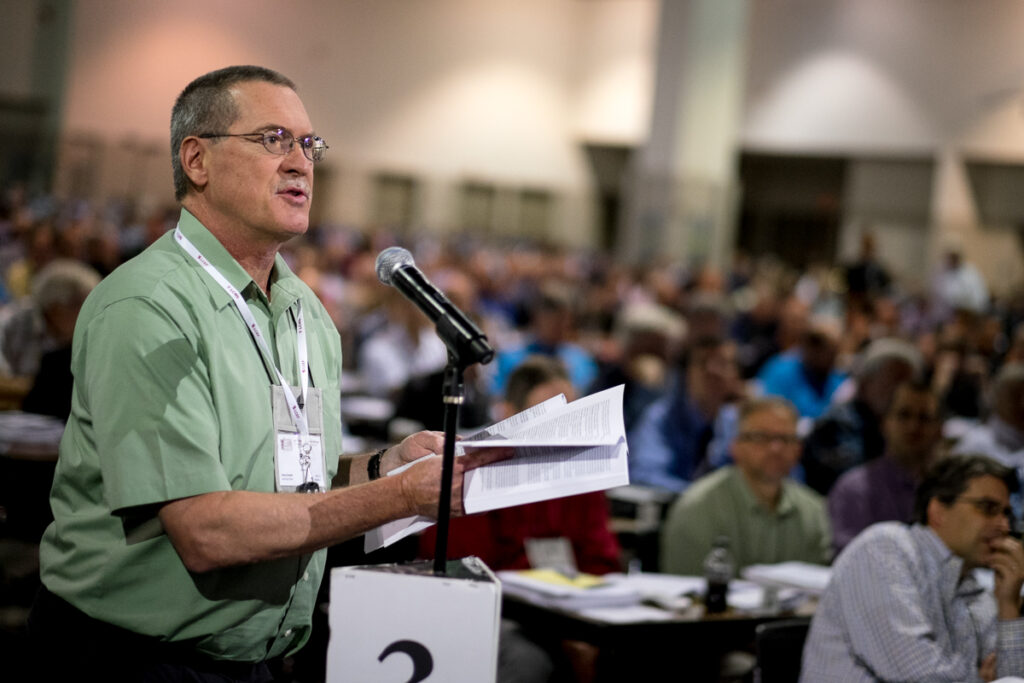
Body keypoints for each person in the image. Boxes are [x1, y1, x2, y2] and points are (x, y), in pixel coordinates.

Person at [28, 65, 505, 681]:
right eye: (273, 139)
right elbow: (206, 530)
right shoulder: (148, 309)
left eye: (309, 145)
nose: (300, 162)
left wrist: (387, 465)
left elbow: (288, 478)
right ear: (197, 160)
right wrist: (399, 496)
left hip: (262, 660)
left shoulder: (305, 312)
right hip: (131, 658)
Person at [801, 454, 1024, 682]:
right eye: (987, 508)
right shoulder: (883, 549)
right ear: (938, 511)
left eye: (1006, 513)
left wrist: (1008, 603)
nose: (1003, 526)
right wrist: (977, 678)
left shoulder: (972, 584)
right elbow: (915, 674)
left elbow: (1012, 679)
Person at [660, 397, 831, 576]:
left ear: (798, 449)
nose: (775, 448)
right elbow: (687, 593)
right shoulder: (697, 508)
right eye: (761, 437)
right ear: (735, 447)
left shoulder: (814, 512)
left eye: (785, 439)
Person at [827, 380, 941, 554]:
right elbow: (851, 559)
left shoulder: (948, 491)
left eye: (924, 418)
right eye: (904, 415)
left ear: (939, 428)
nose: (913, 426)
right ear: (884, 422)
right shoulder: (855, 489)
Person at [801, 337, 923, 494]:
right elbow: (854, 485)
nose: (901, 392)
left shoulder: (915, 425)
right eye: (893, 381)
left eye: (908, 384)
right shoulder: (836, 424)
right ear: (865, 383)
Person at [627, 334, 743, 493]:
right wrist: (700, 500)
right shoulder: (661, 418)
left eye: (722, 363)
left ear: (736, 376)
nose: (713, 371)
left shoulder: (737, 423)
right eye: (703, 362)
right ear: (686, 373)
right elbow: (644, 474)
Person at [756, 316, 846, 420]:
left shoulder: (839, 380)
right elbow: (767, 412)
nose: (818, 352)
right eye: (813, 343)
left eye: (828, 348)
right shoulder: (780, 370)